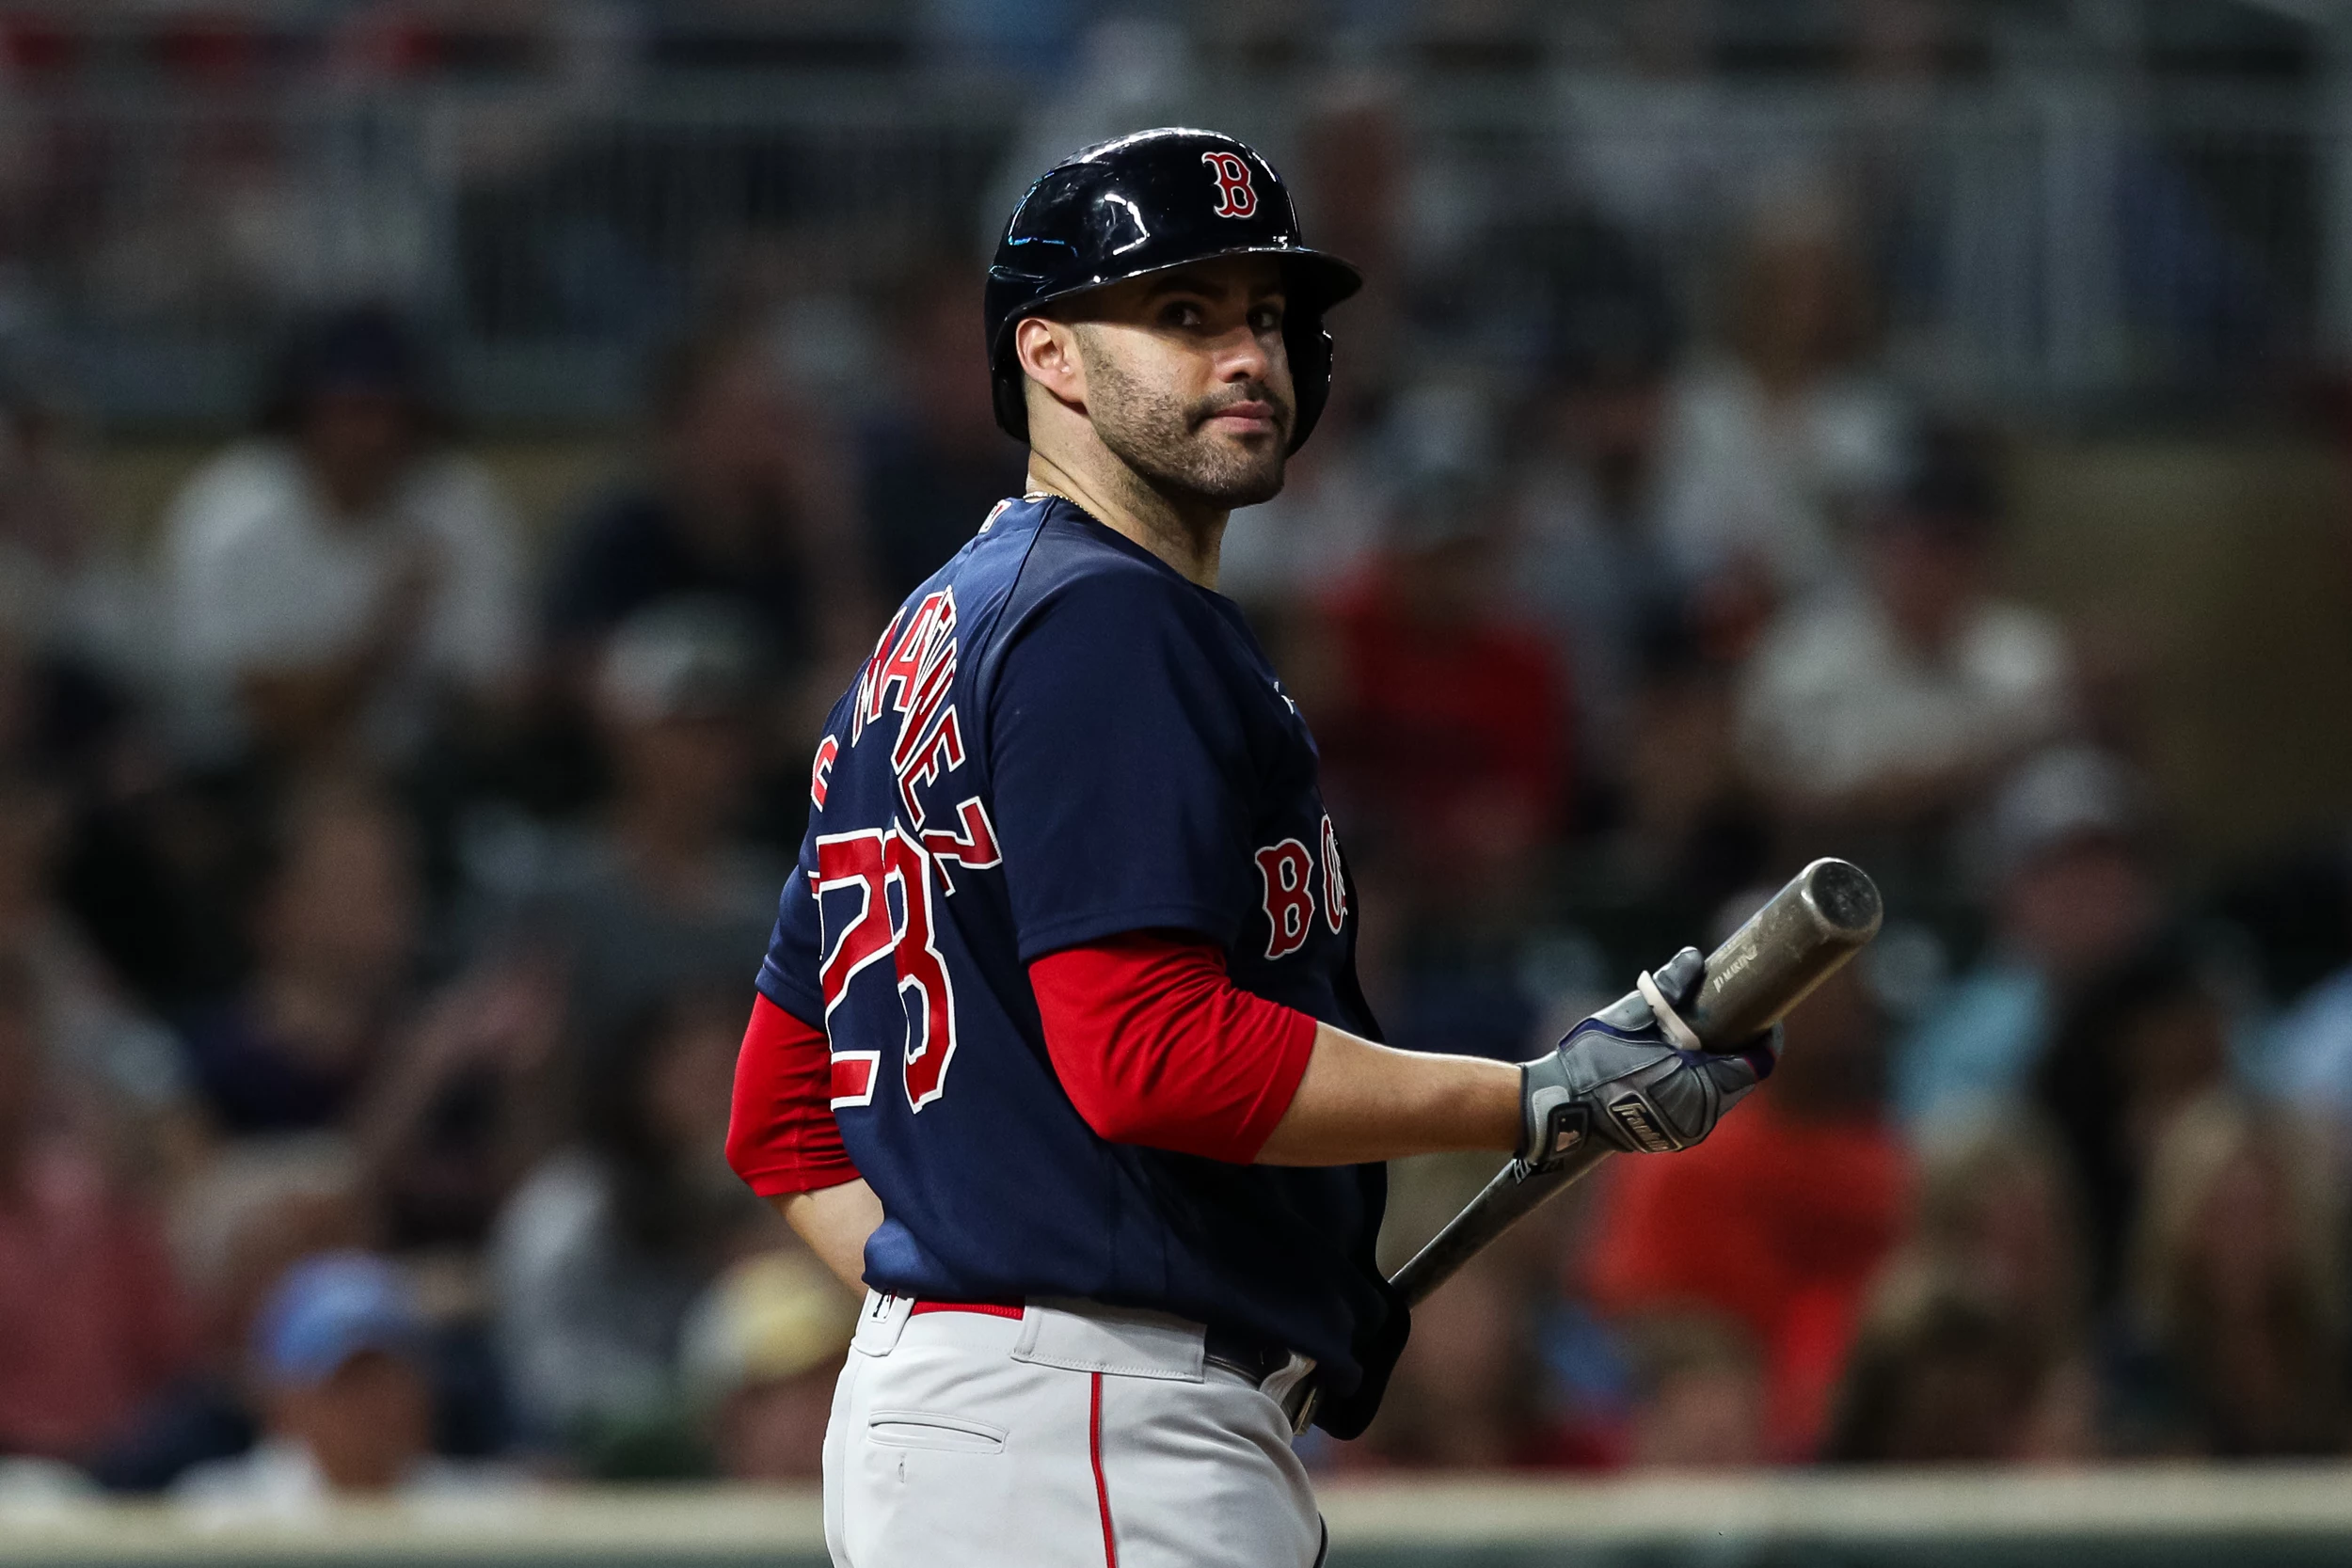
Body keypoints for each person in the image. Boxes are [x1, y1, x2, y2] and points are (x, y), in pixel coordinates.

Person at [723, 129, 1779, 1568]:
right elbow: (1144, 1049)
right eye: (1181, 313)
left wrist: (966, 1308)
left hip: (1005, 1415)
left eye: (1266, 317)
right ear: (1049, 354)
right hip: (1087, 1425)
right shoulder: (1105, 615)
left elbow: (783, 1122)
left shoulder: (936, 635)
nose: (1246, 355)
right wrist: (1532, 1092)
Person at [162, 306, 525, 766]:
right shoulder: (232, 515)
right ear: (300, 414)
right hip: (251, 774)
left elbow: (498, 699)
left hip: (421, 768)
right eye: (354, 411)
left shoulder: (456, 500)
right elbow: (271, 719)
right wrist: (384, 636)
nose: (374, 435)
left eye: (394, 412)